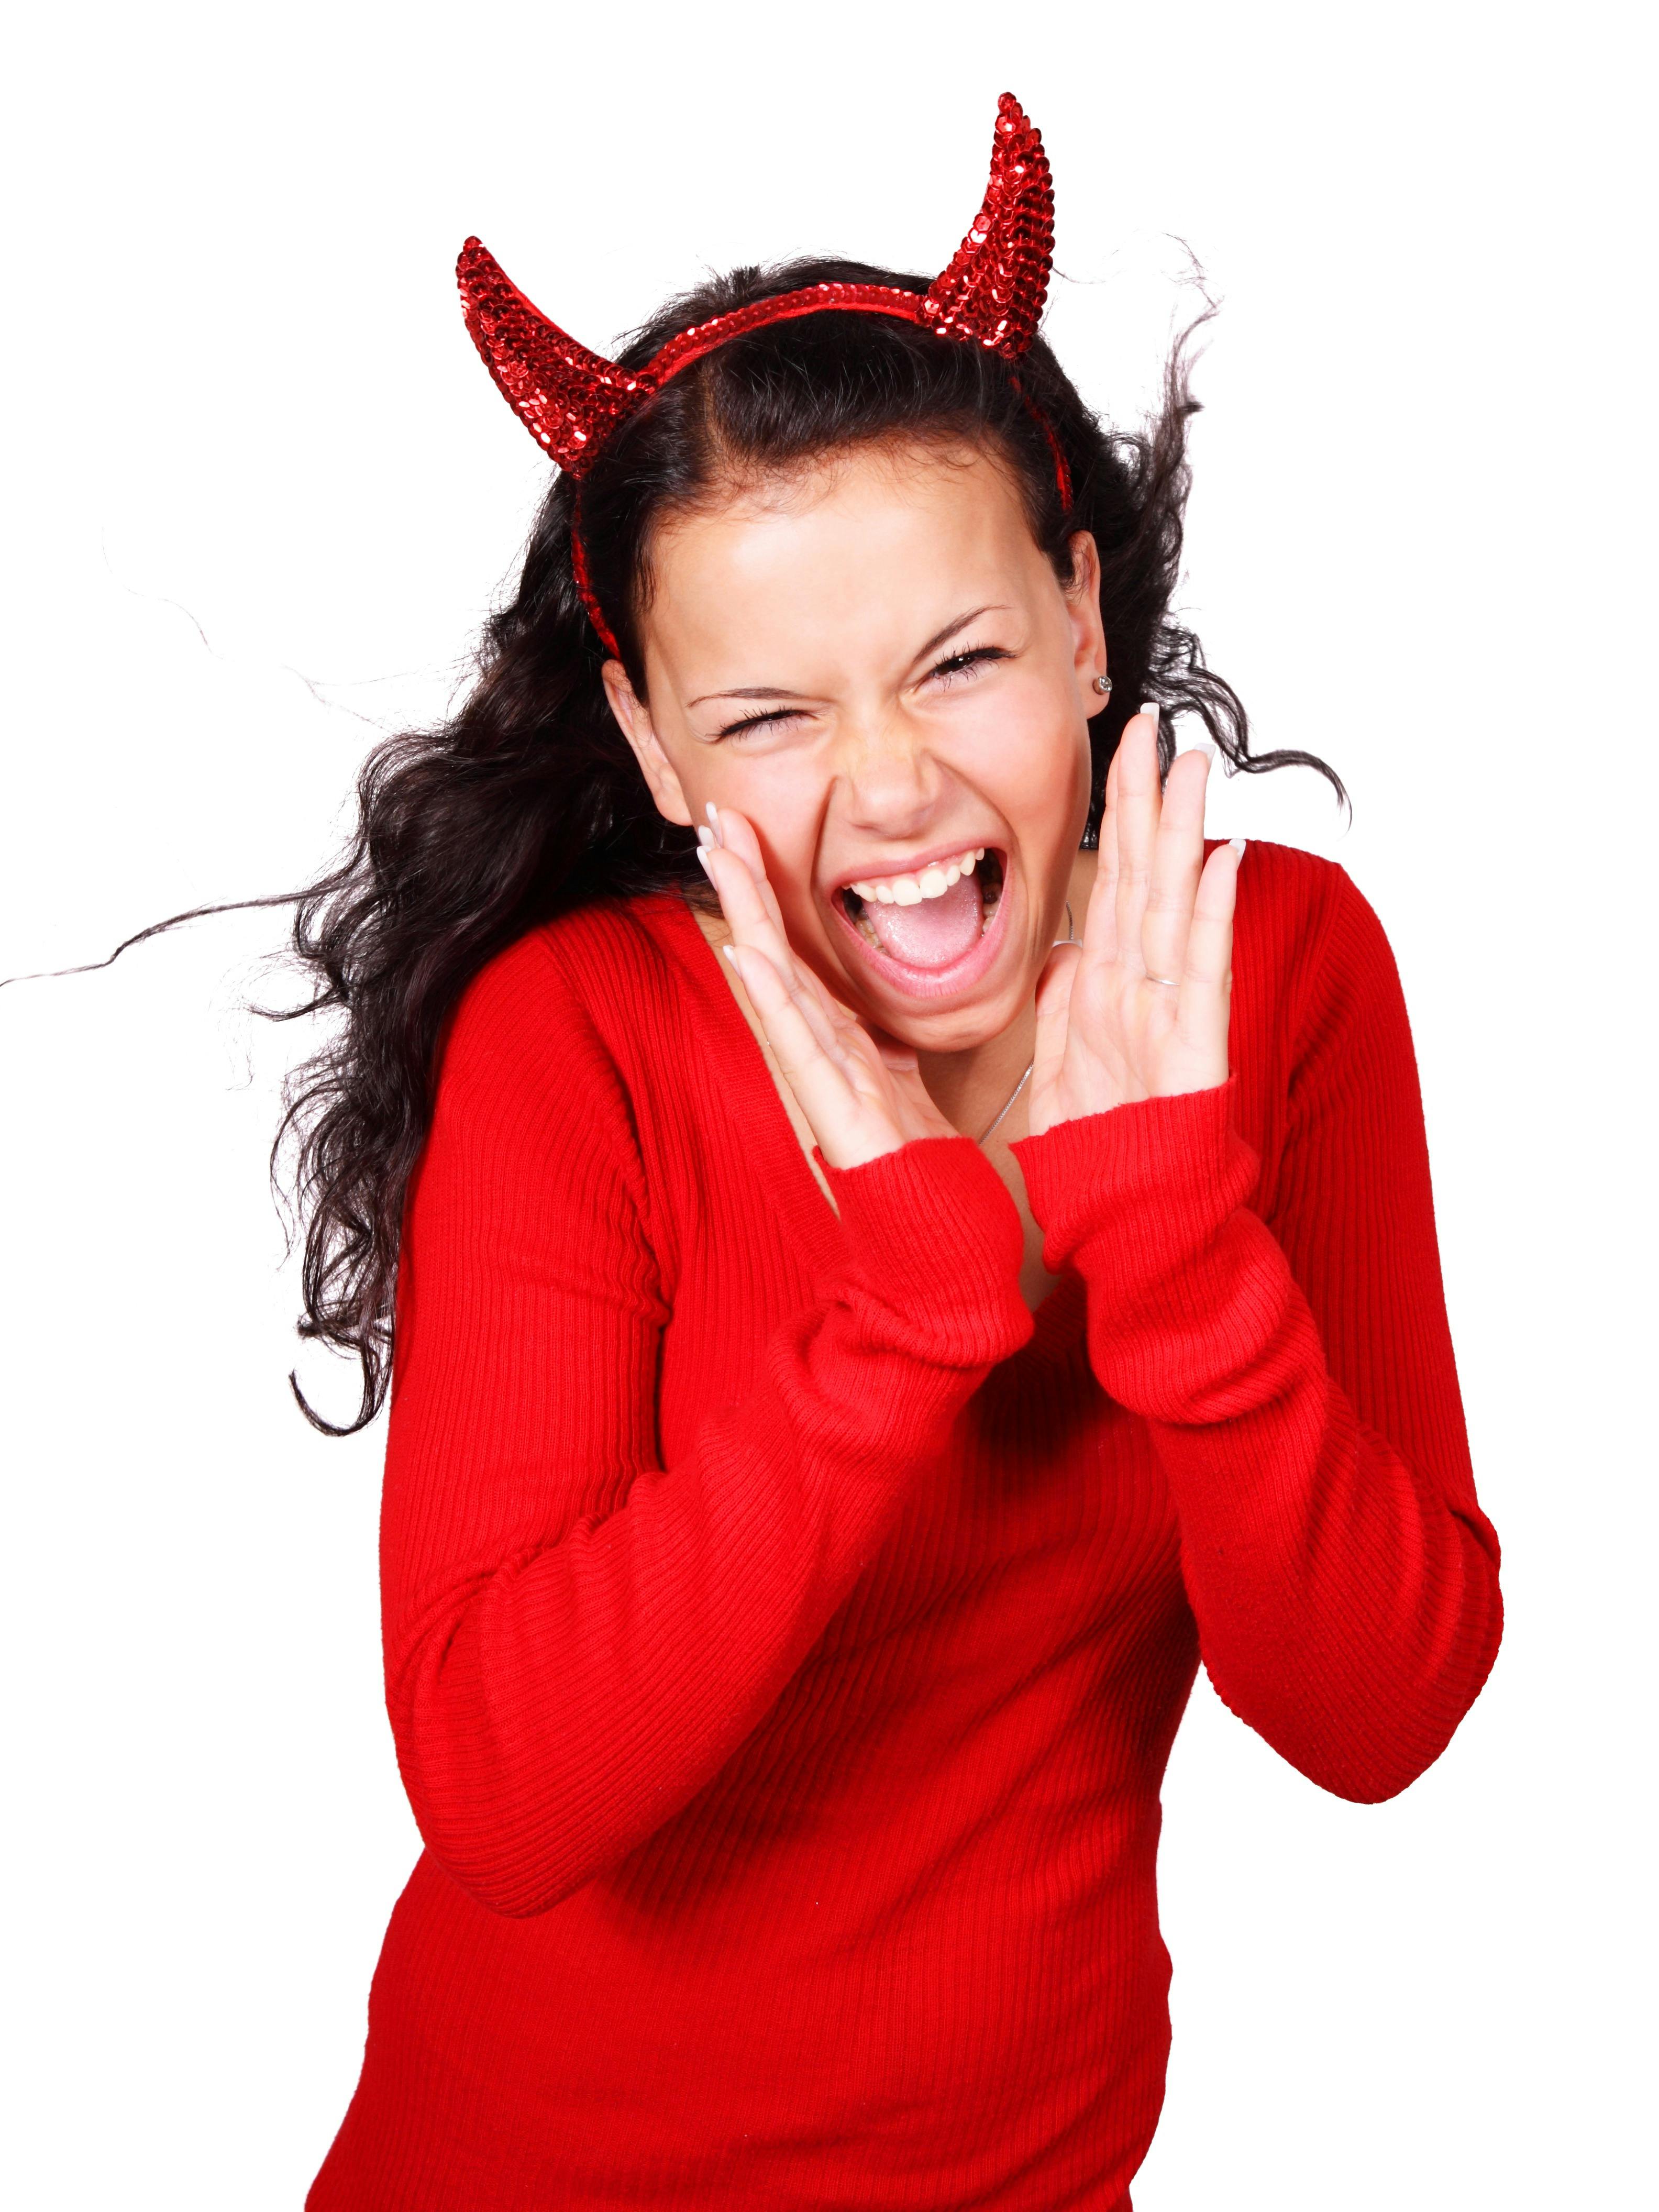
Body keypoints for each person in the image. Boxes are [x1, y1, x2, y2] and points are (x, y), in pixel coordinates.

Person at [297, 95, 1502, 2211]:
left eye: (959, 661)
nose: (891, 786)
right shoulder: (581, 1034)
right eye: (767, 716)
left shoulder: (1275, 972)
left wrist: (1175, 1245)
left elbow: (1381, 1709)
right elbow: (503, 1791)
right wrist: (899, 1321)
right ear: (655, 745)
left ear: (1084, 621)